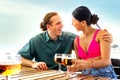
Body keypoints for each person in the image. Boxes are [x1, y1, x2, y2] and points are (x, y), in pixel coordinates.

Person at [18, 12, 112, 71]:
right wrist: (33, 64)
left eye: (61, 22)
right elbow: (19, 58)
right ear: (48, 26)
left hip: (65, 75)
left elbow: (89, 40)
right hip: (43, 75)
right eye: (58, 23)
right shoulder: (36, 40)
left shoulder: (70, 37)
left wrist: (108, 38)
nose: (62, 25)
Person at [67, 6, 117, 79]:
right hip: (86, 76)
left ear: (83, 22)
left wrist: (88, 63)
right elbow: (80, 64)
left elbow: (106, 61)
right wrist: (75, 67)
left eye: (73, 21)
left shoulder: (102, 34)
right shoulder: (76, 41)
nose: (72, 24)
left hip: (105, 75)